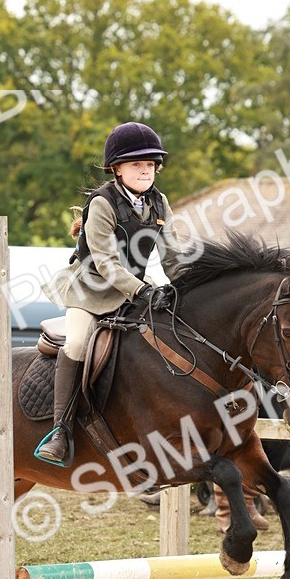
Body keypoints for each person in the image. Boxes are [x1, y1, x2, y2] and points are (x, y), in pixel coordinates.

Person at [35, 121, 187, 466]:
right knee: (75, 342)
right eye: (137, 165)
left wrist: (187, 289)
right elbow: (105, 263)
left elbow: (174, 257)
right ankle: (60, 430)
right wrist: (143, 290)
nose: (145, 171)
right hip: (90, 289)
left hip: (133, 292)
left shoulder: (159, 203)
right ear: (117, 169)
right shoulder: (102, 203)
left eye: (150, 165)